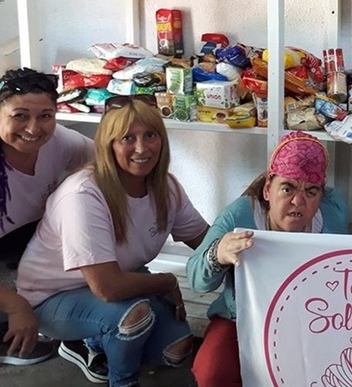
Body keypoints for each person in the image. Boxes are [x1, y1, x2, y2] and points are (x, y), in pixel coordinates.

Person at [16, 95, 208, 387]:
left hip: (119, 282)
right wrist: (167, 281)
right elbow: (107, 287)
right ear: (108, 145)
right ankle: (123, 380)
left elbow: (207, 243)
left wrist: (246, 246)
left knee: (176, 350)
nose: (142, 148)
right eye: (127, 138)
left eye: (150, 135)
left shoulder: (166, 187)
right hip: (52, 297)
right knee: (133, 319)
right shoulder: (83, 194)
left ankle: (94, 342)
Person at [187, 130, 349, 387]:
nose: (298, 201)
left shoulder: (332, 216)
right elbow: (196, 278)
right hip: (240, 319)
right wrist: (218, 253)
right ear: (267, 190)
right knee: (212, 372)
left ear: (321, 196)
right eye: (287, 188)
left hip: (310, 320)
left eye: (311, 192)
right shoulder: (240, 215)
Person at [0, 67, 93, 366]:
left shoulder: (59, 142)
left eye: (45, 116)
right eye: (20, 115)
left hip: (27, 237)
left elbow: (108, 163)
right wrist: (16, 307)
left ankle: (77, 338)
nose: (33, 128)